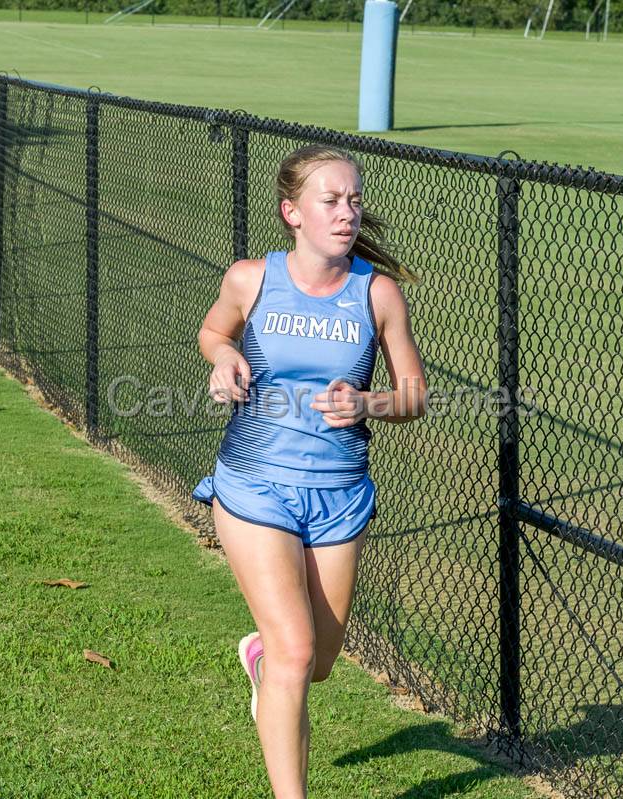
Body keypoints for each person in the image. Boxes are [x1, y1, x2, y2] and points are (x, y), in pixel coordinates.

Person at [191, 143, 427, 797]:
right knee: (296, 649)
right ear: (291, 212)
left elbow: (414, 395)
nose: (347, 211)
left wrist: (368, 401)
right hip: (254, 485)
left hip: (338, 495)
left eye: (354, 199)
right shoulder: (251, 279)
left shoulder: (376, 294)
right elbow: (213, 330)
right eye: (331, 200)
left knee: (315, 661)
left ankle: (261, 660)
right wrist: (223, 357)